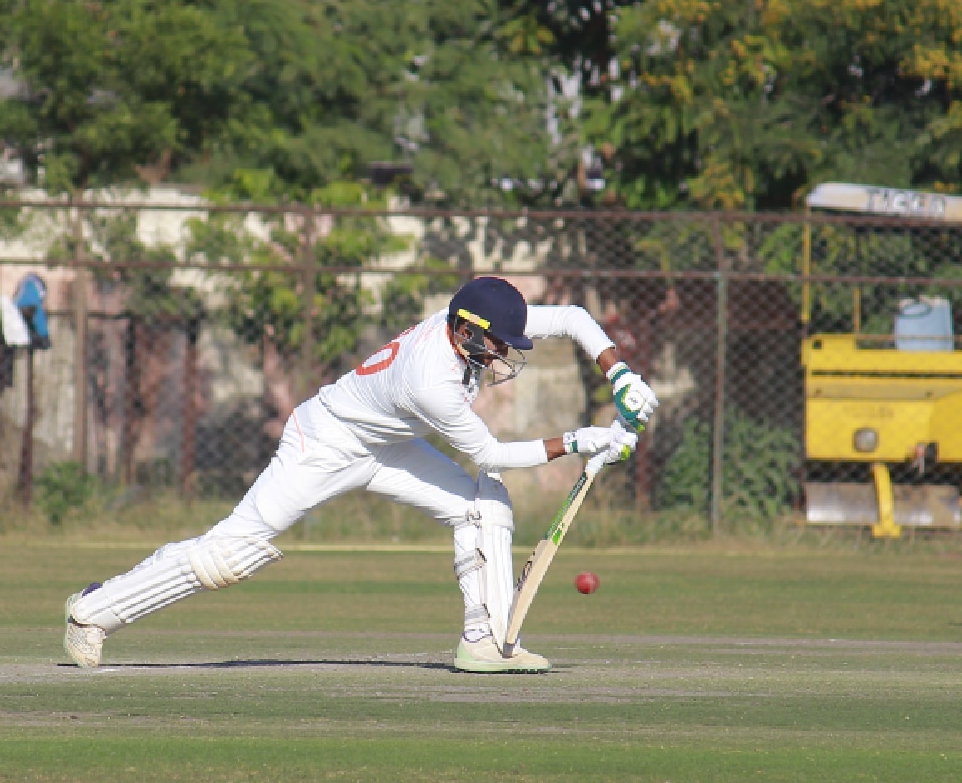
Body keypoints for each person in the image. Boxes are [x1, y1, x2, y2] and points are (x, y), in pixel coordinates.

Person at [63, 277, 659, 673]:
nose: (503, 357)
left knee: (483, 506)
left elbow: (579, 317)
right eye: (496, 345)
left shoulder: (464, 325)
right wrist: (582, 440)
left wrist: (620, 373)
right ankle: (94, 611)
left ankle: (487, 643)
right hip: (322, 444)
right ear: (466, 331)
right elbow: (492, 455)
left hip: (385, 446)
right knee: (234, 551)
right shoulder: (432, 379)